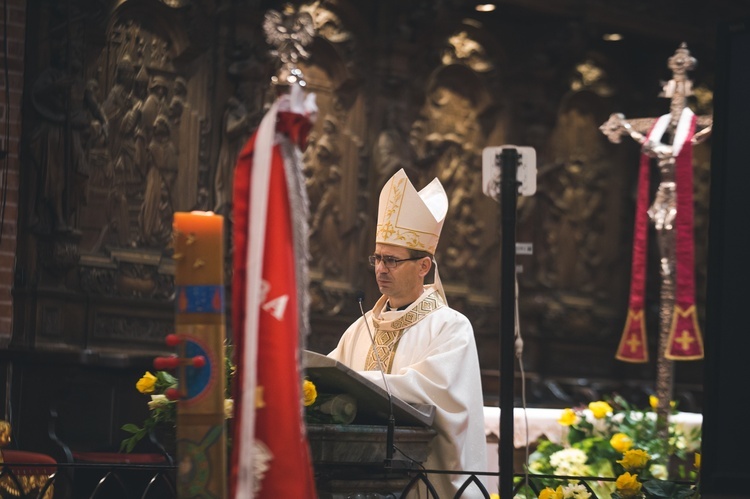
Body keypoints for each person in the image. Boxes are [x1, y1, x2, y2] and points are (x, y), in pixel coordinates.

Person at [328, 168, 487, 498]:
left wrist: (360, 383)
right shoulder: (361, 328)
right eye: (377, 258)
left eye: (392, 260)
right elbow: (329, 379)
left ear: (424, 266)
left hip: (424, 484)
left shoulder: (450, 327)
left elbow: (433, 395)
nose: (381, 269)